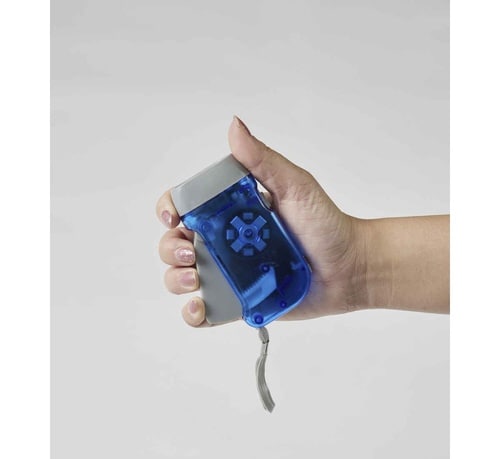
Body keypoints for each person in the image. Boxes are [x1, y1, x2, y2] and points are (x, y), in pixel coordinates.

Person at [156, 116, 450, 327]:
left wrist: (358, 263)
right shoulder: (223, 210)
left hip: (292, 280)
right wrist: (356, 266)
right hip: (290, 280)